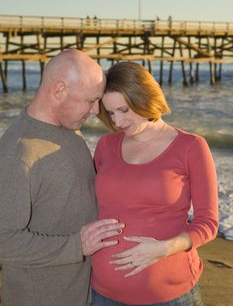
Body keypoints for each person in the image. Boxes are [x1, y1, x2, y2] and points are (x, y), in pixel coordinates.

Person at [0, 49, 124, 306]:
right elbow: (4, 240)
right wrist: (77, 245)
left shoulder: (67, 127)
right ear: (59, 91)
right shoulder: (18, 153)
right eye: (90, 101)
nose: (95, 110)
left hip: (86, 291)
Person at [91, 61, 218, 305]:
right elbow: (93, 205)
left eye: (124, 110)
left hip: (169, 295)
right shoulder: (106, 145)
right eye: (111, 112)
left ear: (144, 97)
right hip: (103, 293)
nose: (117, 122)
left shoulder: (191, 147)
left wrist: (165, 248)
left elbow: (208, 223)